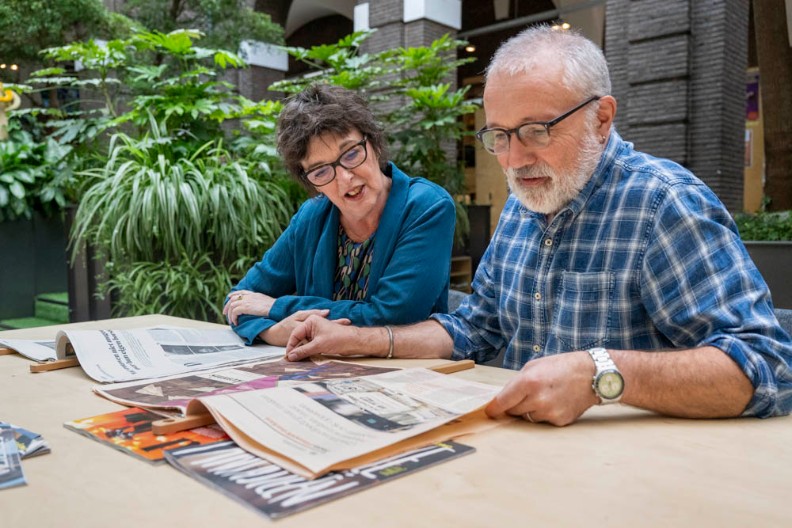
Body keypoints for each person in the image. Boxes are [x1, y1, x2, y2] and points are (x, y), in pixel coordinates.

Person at [284, 26, 792, 425]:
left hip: (628, 475)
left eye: (537, 130)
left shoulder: (664, 204)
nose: (515, 158)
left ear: (601, 118)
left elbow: (768, 365)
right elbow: (476, 327)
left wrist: (601, 374)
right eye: (499, 136)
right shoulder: (524, 199)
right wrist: (364, 341)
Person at [223, 84, 456, 346]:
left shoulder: (426, 207)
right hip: (322, 372)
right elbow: (239, 299)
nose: (345, 178)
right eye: (321, 171)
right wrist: (272, 332)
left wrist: (276, 307)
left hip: (406, 373)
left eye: (351, 154)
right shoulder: (311, 217)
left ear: (374, 143)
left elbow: (394, 316)